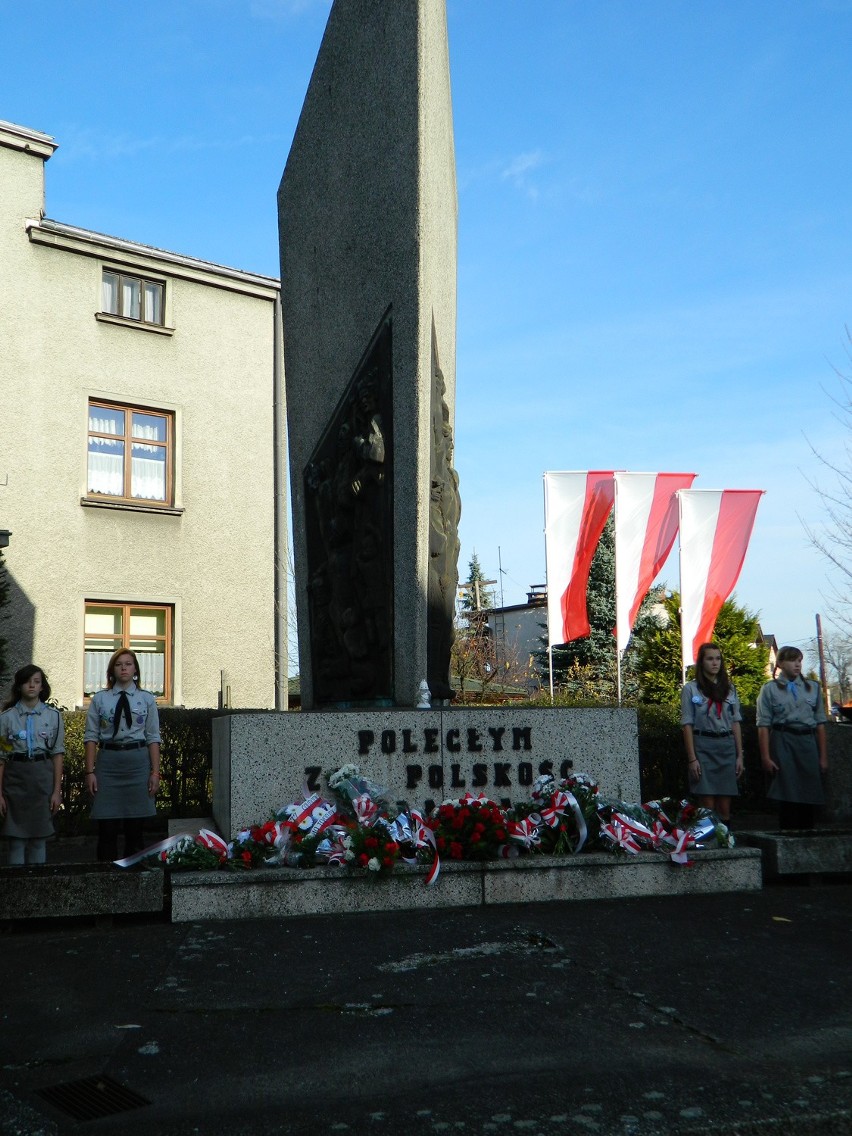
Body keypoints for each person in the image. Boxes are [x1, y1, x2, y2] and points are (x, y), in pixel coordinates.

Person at [84, 649, 161, 861]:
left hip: (137, 764)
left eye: (128, 664)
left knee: (135, 831)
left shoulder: (146, 699)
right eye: (119, 664)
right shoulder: (100, 699)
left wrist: (155, 773)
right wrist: (89, 772)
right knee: (107, 830)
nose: (124, 668)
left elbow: (153, 737)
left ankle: (134, 881)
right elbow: (91, 736)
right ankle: (106, 880)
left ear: (135, 669)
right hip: (108, 764)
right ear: (112, 670)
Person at [756, 645, 828, 830]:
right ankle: (787, 834)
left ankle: (807, 834)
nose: (797, 665)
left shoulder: (812, 688)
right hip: (783, 740)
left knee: (809, 792)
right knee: (786, 793)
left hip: (807, 742)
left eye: (799, 661)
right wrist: (765, 757)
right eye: (791, 660)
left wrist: (823, 756)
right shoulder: (770, 689)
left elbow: (820, 723)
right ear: (780, 663)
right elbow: (763, 725)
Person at [0, 664, 65, 865]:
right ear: (19, 686)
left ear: (42, 687)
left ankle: (37, 887)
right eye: (27, 681)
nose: (32, 686)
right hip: (15, 780)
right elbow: (2, 757)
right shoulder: (6, 718)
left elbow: (57, 754)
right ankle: (18, 888)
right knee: (16, 840)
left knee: (39, 839)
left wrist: (56, 791)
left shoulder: (53, 716)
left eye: (36, 682)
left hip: (42, 780)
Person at [681, 642, 743, 824]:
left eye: (718, 659)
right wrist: (692, 759)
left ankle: (725, 843)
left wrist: (740, 755)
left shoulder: (730, 689)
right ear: (702, 662)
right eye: (710, 659)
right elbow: (687, 724)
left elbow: (735, 722)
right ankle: (709, 846)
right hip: (703, 746)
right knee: (706, 804)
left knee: (725, 806)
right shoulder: (691, 689)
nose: (715, 663)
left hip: (726, 747)